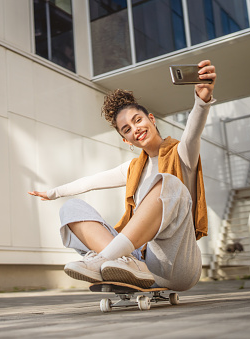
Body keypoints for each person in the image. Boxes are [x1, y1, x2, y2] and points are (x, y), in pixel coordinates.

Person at [29, 60, 217, 291]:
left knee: (167, 182)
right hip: (142, 262)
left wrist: (202, 101)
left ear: (151, 119)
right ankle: (123, 262)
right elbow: (90, 182)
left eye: (137, 120)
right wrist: (52, 193)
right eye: (127, 129)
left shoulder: (181, 154)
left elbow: (192, 134)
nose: (135, 128)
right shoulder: (132, 169)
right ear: (125, 140)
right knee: (71, 209)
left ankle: (104, 259)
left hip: (176, 264)